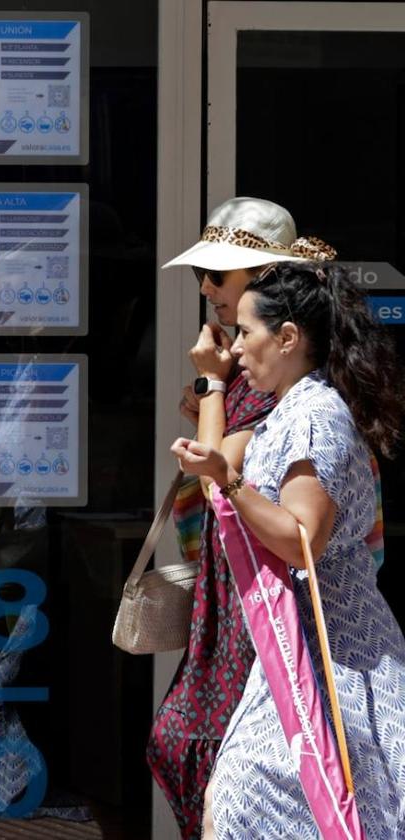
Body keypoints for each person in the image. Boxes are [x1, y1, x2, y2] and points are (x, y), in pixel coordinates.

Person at [171, 262, 405, 837]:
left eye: (248, 333)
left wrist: (229, 482)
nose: (239, 348)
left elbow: (303, 539)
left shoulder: (315, 415)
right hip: (296, 649)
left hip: (336, 663)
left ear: (288, 337)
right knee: (245, 806)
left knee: (244, 802)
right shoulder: (291, 409)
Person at [148, 198, 337, 839]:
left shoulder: (291, 378)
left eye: (219, 276)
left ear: (261, 278)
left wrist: (210, 387)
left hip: (269, 590)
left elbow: (218, 476)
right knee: (191, 746)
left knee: (203, 746)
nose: (205, 288)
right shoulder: (253, 364)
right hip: (237, 580)